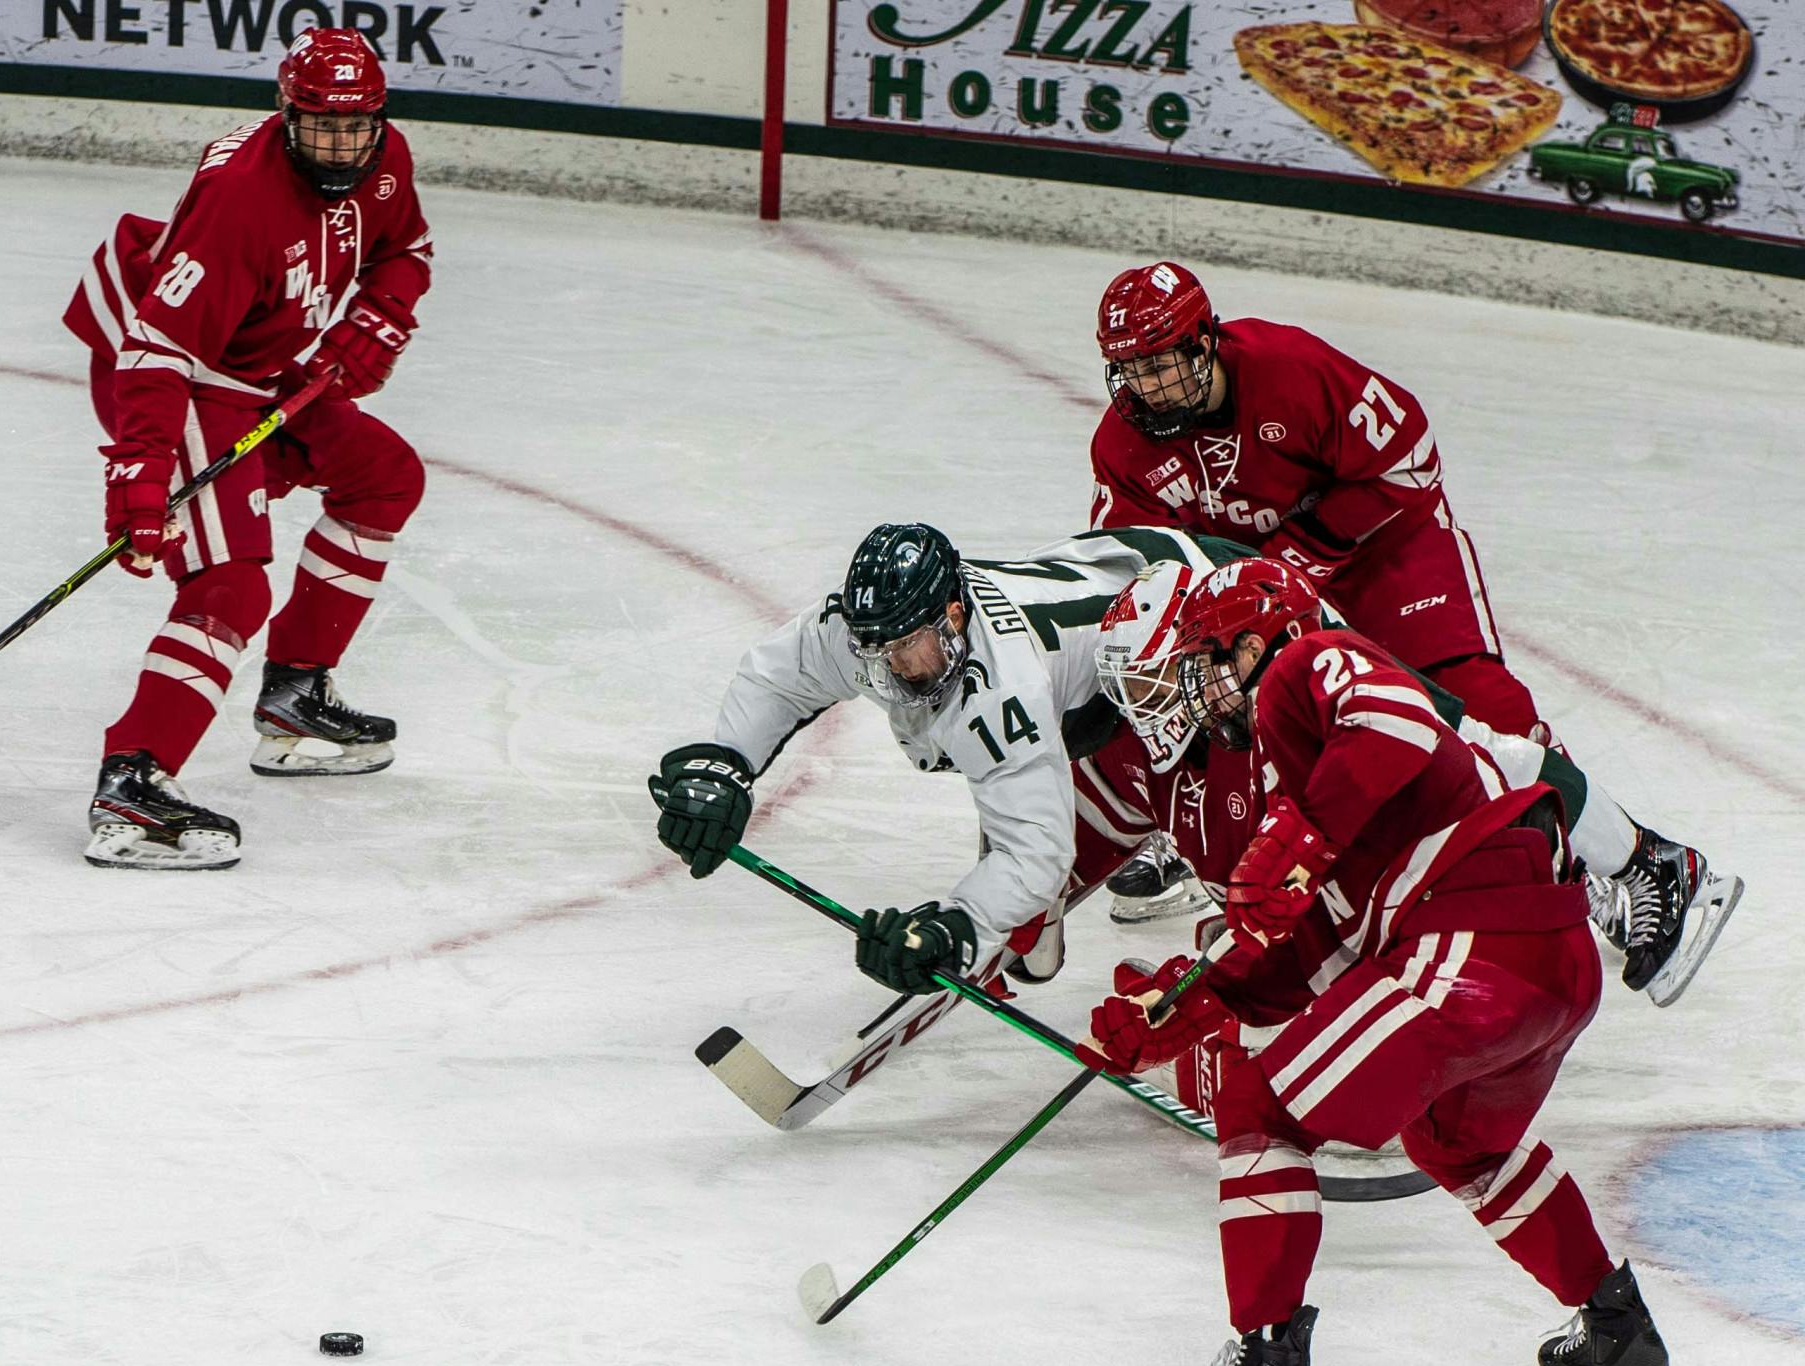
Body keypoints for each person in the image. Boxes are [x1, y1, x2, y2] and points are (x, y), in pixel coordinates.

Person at [1076, 558, 1681, 1366]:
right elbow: (1294, 967)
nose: (1197, 693)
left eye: (1205, 662)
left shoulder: (1305, 668)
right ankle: (1616, 1324)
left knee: (1262, 1109)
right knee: (1458, 1143)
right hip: (1542, 965)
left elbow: (1397, 724)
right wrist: (1173, 1011)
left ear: (1252, 642)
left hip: (1472, 942)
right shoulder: (1293, 788)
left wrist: (1305, 832)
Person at [1084, 260, 1740, 961]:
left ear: (1203, 343)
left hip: (1385, 555)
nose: (1145, 389)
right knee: (1220, 701)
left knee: (1479, 714)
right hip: (1264, 596)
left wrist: (1297, 557)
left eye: (1159, 365)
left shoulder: (1289, 371)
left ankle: (1636, 863)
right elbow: (1141, 566)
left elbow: (1409, 460)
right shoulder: (1121, 446)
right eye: (1129, 370)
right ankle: (1194, 838)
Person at [62, 28, 433, 869]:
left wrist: (382, 316)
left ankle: (296, 694)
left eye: (357, 126)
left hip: (259, 363)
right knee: (229, 583)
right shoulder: (241, 203)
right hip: (175, 373)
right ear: (284, 115)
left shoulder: (385, 159)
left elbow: (405, 249)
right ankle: (134, 783)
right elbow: (156, 352)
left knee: (383, 477)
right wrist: (140, 476)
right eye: (319, 126)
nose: (340, 144)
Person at [1077, 562, 1741, 1011]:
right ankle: (1580, 871)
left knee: (1485, 749)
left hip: (1317, 642)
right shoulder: (1222, 696)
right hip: (1278, 656)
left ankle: (1645, 861)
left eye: (1149, 684)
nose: (1144, 708)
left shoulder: (1272, 647)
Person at [650, 522, 1225, 995]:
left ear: (953, 617)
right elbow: (780, 676)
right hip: (1113, 578)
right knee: (1027, 941)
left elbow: (1037, 851)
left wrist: (958, 927)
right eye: (875, 650)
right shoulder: (875, 628)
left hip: (1193, 605)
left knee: (1234, 780)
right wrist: (724, 764)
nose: (889, 670)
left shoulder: (1004, 691)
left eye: (904, 647)